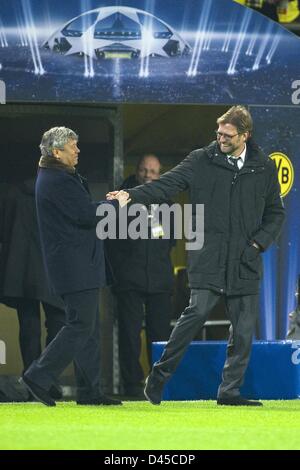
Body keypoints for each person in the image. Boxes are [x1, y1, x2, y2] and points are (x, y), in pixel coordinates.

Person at [107, 106, 285, 406]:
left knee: (243, 330)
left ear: (245, 135)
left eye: (227, 135)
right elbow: (165, 186)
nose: (221, 139)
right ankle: (158, 377)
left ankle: (229, 391)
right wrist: (132, 195)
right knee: (194, 317)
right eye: (218, 133)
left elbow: (276, 214)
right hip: (209, 258)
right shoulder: (200, 159)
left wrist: (257, 244)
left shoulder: (264, 167)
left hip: (245, 260)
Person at [21, 126, 128, 407]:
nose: (78, 151)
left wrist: (105, 203)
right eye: (72, 147)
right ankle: (38, 375)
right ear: (57, 152)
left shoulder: (55, 177)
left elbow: (80, 210)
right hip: (75, 266)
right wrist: (116, 205)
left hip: (78, 265)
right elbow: (85, 215)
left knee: (88, 329)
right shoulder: (57, 180)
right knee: (80, 325)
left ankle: (89, 391)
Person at [108, 154, 174, 398]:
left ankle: (157, 385)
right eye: (145, 170)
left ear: (160, 175)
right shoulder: (119, 200)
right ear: (136, 171)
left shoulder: (166, 202)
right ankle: (132, 386)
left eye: (154, 171)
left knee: (160, 337)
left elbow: (169, 242)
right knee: (129, 335)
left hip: (159, 282)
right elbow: (110, 242)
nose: (148, 175)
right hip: (129, 281)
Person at [0, 179, 65, 401]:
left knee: (29, 325)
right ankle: (47, 377)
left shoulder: (13, 193)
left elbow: (5, 231)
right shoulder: (58, 192)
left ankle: (32, 378)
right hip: (52, 264)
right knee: (58, 321)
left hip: (22, 267)